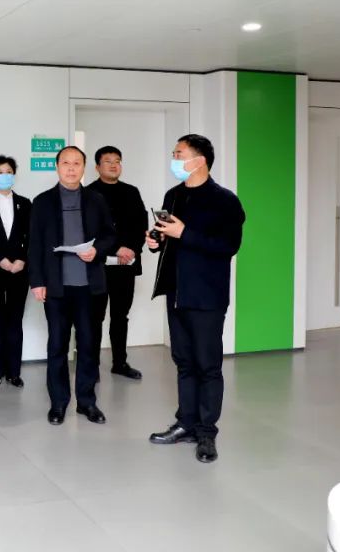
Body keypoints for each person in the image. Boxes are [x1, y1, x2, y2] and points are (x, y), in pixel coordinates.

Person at [147, 134, 245, 464]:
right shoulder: (173, 195)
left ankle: (206, 433)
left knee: (207, 365)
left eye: (179, 154)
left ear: (200, 160)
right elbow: (169, 238)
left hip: (206, 296)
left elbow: (228, 246)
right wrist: (157, 241)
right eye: (174, 153)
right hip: (176, 291)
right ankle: (185, 424)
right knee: (184, 362)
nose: (174, 159)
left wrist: (184, 233)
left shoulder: (225, 201)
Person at [28, 146, 117, 426]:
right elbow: (34, 245)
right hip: (57, 287)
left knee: (89, 345)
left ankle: (87, 402)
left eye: (76, 163)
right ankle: (58, 403)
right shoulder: (42, 202)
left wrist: (97, 250)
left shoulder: (96, 199)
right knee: (57, 346)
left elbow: (110, 236)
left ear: (84, 167)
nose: (71, 168)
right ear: (57, 167)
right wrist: (37, 281)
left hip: (89, 287)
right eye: (65, 163)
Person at [87, 146, 147, 381]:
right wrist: (115, 249)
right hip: (98, 266)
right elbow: (89, 230)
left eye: (118, 161)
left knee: (121, 316)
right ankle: (91, 365)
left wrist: (131, 249)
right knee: (95, 317)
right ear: (97, 167)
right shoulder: (89, 193)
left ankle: (119, 363)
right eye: (108, 161)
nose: (114, 165)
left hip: (125, 265)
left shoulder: (131, 192)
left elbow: (141, 224)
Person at [0, 154, 31, 388]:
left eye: (9, 172)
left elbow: (31, 236)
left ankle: (14, 371)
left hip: (20, 270)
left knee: (15, 319)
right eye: (0, 172)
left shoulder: (25, 203)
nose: (5, 176)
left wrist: (22, 259)